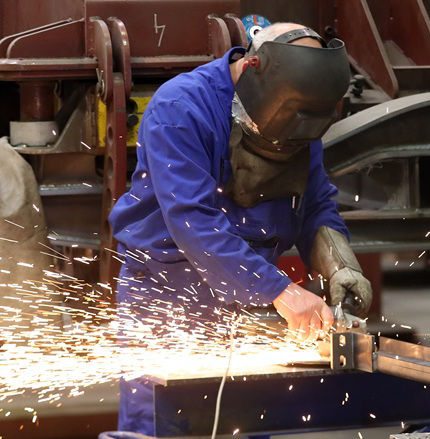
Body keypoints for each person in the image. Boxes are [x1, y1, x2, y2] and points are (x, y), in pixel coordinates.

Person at [108, 22, 373, 434]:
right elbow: (193, 223)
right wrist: (281, 292)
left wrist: (340, 266)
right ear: (252, 68)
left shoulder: (301, 111)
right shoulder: (181, 107)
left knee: (245, 424)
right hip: (168, 295)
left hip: (253, 300)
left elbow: (315, 204)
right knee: (160, 429)